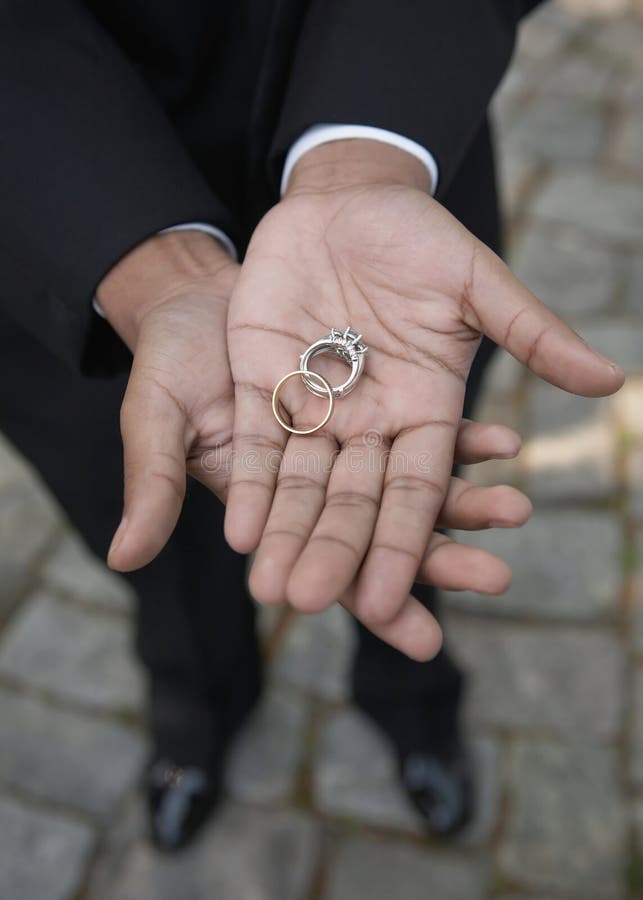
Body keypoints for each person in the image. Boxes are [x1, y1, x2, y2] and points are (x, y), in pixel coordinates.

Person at [0, 0, 623, 851]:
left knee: (399, 500)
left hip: (394, 220)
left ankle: (412, 701)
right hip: (57, 232)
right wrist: (147, 269)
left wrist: (361, 164)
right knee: (154, 539)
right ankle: (196, 719)